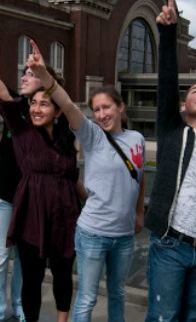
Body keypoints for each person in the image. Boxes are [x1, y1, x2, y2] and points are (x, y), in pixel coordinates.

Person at [0, 33, 79, 322]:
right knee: (9, 261)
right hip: (24, 206)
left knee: (59, 274)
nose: (35, 108)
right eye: (33, 104)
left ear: (56, 108)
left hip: (62, 215)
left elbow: (73, 176)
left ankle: (30, 311)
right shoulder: (22, 127)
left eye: (44, 103)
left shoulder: (66, 135)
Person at [29, 72, 145, 321]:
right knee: (87, 298)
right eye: (96, 109)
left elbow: (139, 177)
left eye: (106, 107)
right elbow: (68, 104)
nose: (101, 114)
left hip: (124, 236)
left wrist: (139, 212)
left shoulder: (137, 139)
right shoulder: (92, 136)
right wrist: (44, 76)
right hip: (93, 233)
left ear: (120, 107)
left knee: (117, 294)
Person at [144, 0, 196, 322]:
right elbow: (166, 82)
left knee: (193, 318)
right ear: (183, 105)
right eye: (195, 91)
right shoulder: (173, 132)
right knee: (163, 317)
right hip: (170, 247)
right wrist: (166, 33)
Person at [0, 66, 59, 322]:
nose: (24, 76)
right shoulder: (14, 105)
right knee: (0, 256)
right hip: (3, 194)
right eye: (23, 72)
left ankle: (22, 307)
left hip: (31, 200)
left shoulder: (52, 116)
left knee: (26, 259)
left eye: (31, 74)